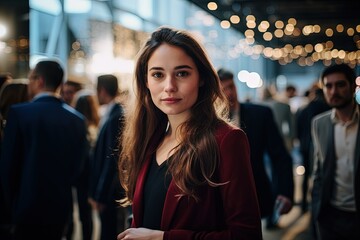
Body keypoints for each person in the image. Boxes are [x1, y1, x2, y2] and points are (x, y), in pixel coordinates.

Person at [117, 26, 262, 240]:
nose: (169, 86)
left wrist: (163, 238)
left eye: (182, 73)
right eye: (158, 74)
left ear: (202, 77)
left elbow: (247, 235)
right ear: (146, 81)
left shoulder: (226, 140)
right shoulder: (150, 140)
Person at [0, 59, 88, 240]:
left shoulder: (19, 113)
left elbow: (8, 167)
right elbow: (78, 167)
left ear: (39, 80)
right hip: (60, 205)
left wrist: (8, 209)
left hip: (24, 204)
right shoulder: (77, 119)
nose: (29, 83)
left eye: (31, 78)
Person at [217, 68, 294, 229]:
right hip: (218, 200)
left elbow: (279, 156)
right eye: (223, 90)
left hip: (255, 193)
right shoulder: (208, 121)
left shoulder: (261, 114)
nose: (229, 94)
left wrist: (285, 191)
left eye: (231, 87)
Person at [311, 63, 360, 239]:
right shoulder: (319, 123)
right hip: (330, 214)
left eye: (340, 85)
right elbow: (318, 170)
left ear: (353, 87)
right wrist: (316, 210)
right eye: (328, 86)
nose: (333, 91)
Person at [89, 74, 126, 240]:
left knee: (108, 232)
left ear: (102, 90)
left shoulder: (116, 115)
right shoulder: (113, 113)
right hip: (110, 189)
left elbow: (111, 159)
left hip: (111, 191)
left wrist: (100, 194)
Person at [66, 90, 100, 240]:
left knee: (70, 211)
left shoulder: (74, 125)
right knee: (86, 214)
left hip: (76, 173)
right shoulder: (98, 126)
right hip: (91, 175)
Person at [296, 84, 330, 214]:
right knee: (321, 175)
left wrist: (300, 142)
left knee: (305, 177)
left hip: (305, 146)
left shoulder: (304, 109)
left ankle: (304, 204)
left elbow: (298, 128)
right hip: (322, 146)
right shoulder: (327, 108)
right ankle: (318, 203)